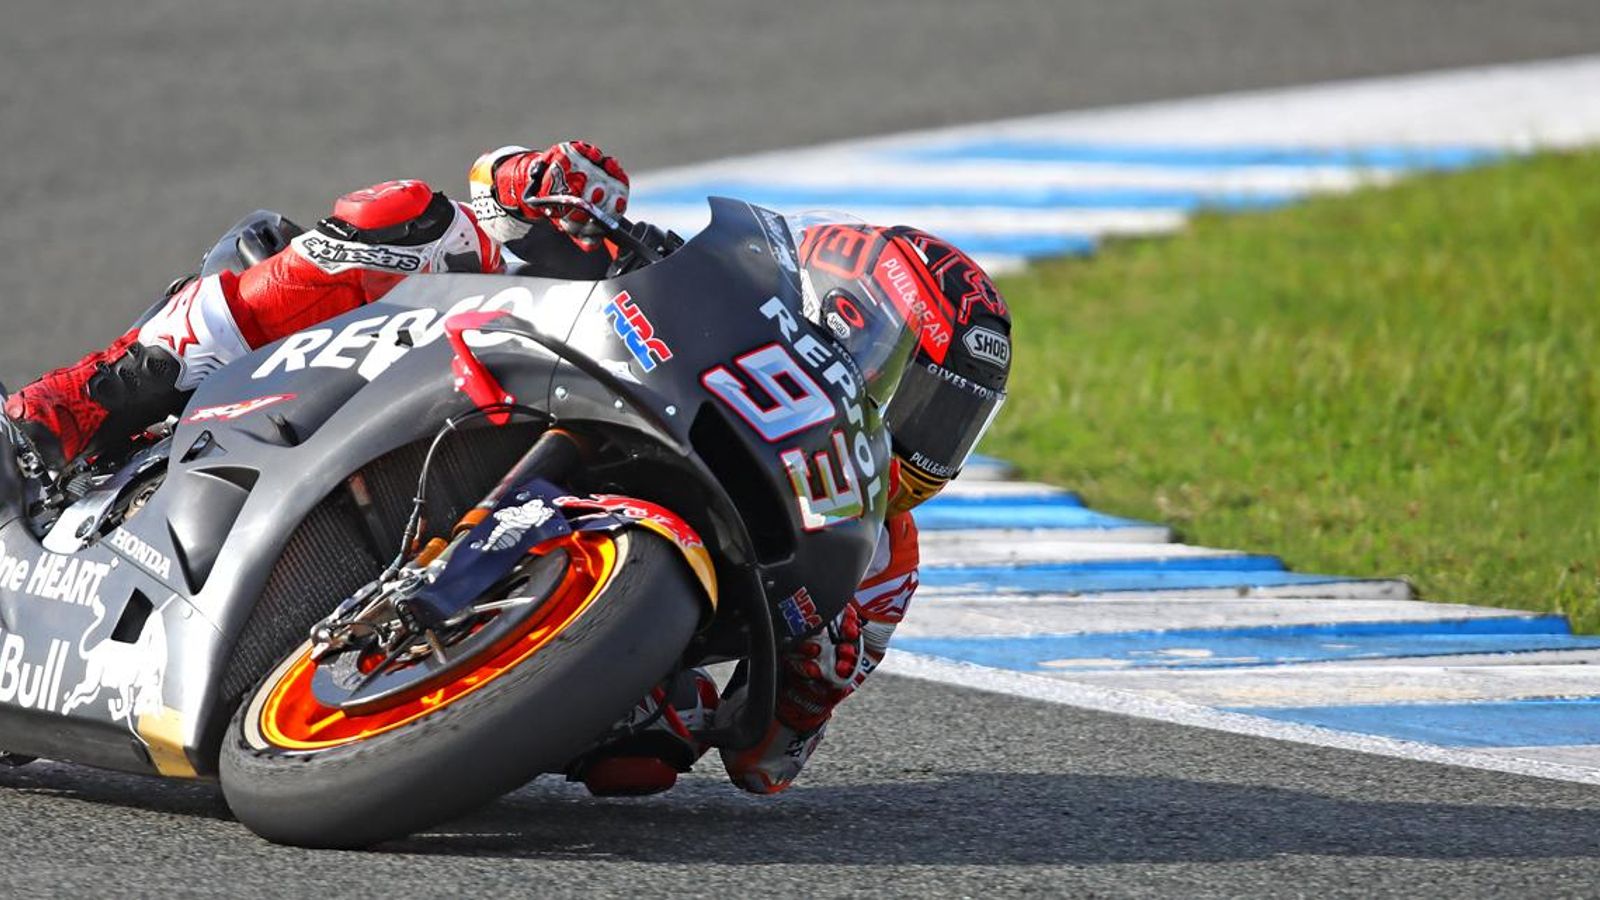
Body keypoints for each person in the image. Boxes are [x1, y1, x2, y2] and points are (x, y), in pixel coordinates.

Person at [1, 141, 1012, 796]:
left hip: (523, 675)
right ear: (833, 305)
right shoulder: (689, 284)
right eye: (915, 391)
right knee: (396, 216)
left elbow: (768, 759)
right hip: (418, 381)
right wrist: (542, 188)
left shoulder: (879, 562)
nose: (917, 438)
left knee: (635, 767)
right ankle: (69, 406)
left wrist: (712, 692)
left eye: (950, 421)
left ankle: (430, 672)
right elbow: (510, 188)